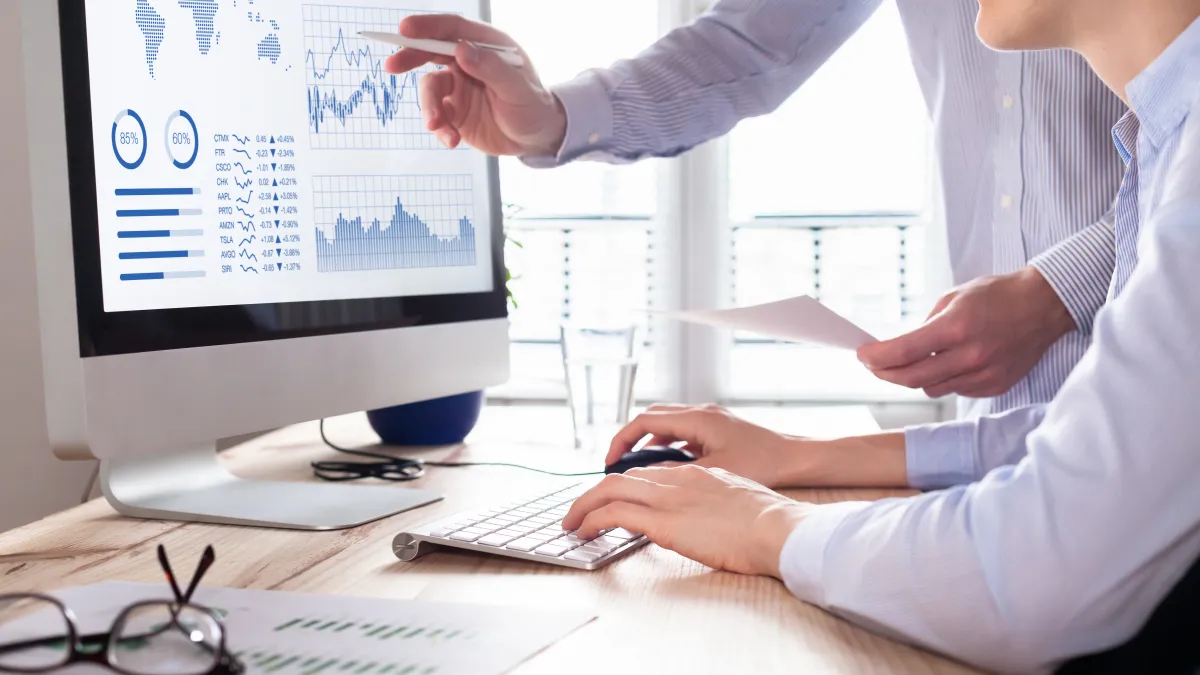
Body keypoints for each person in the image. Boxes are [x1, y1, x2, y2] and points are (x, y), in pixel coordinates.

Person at [552, 2, 1200, 672]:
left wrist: (764, 526)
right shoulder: (1164, 145)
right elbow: (1094, 436)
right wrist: (801, 457)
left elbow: (1040, 570)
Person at [386, 0, 1125, 421]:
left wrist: (1061, 290)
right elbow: (748, 47)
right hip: (998, 429)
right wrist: (549, 117)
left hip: (1160, 404)